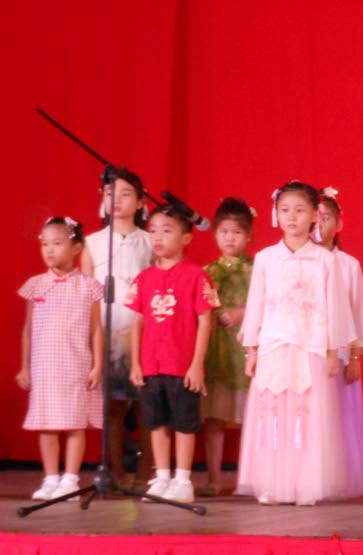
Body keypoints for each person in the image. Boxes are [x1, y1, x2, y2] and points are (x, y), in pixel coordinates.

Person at [237, 180, 356, 505]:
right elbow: (256, 305)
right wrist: (252, 349)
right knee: (273, 414)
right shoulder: (265, 258)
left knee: (307, 416)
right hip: (273, 346)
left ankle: (306, 484)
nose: (292, 217)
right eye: (285, 210)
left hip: (311, 347)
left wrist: (334, 351)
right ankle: (272, 483)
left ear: (314, 216)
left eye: (300, 211)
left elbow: (336, 309)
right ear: (276, 214)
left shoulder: (324, 260)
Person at [127, 204, 218, 503]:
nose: (158, 237)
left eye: (167, 230)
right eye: (153, 230)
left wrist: (196, 365)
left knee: (184, 422)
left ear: (186, 238)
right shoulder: (144, 278)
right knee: (155, 422)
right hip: (151, 364)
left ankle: (182, 479)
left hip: (181, 364)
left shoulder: (196, 276)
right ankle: (162, 476)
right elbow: (137, 321)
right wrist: (136, 362)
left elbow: (206, 319)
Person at [16, 217, 104, 500]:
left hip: (76, 364)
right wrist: (25, 366)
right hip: (45, 366)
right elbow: (29, 328)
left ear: (76, 247)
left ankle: (70, 479)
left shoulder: (88, 286)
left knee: (75, 423)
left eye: (57, 243)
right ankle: (51, 477)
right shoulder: (36, 285)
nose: (49, 250)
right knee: (47, 423)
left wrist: (98, 364)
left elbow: (96, 329)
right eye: (44, 244)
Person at [81, 167, 153, 485]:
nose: (118, 200)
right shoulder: (91, 243)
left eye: (126, 194)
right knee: (113, 407)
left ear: (140, 202)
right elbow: (85, 292)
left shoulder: (151, 240)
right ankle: (114, 473)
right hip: (106, 331)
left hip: (143, 331)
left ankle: (146, 473)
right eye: (111, 194)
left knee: (147, 407)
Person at [317, 187, 363, 498]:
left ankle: (339, 478)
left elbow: (358, 311)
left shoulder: (348, 265)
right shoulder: (301, 262)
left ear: (338, 223)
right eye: (314, 217)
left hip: (339, 354)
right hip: (306, 352)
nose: (319, 224)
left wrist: (355, 357)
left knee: (338, 420)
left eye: (326, 218)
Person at [200, 197, 255, 496]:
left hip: (247, 353)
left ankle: (251, 478)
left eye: (236, 232)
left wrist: (239, 313)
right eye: (224, 232)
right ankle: (213, 477)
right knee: (215, 419)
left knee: (252, 421)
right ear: (215, 234)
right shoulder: (207, 271)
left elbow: (268, 304)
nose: (230, 238)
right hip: (217, 354)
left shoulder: (259, 269)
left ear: (248, 236)